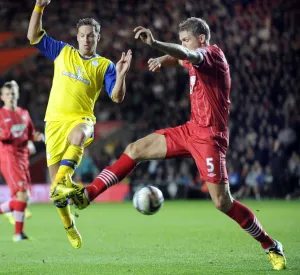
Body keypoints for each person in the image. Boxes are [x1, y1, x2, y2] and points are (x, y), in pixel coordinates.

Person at [51, 17, 286, 270]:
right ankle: (87, 196)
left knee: (222, 202)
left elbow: (186, 54)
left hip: (210, 137)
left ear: (201, 40)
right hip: (190, 129)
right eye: (181, 39)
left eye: (186, 39)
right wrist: (164, 60)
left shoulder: (212, 55)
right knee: (134, 150)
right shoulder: (195, 53)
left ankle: (270, 245)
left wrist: (156, 45)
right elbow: (182, 56)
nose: (183, 44)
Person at [27, 0, 132, 249]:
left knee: (80, 134)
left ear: (97, 38)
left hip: (81, 119)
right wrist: (39, 7)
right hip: (53, 123)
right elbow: (32, 36)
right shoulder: (63, 52)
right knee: (59, 197)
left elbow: (116, 97)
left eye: (91, 36)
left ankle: (62, 183)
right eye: (82, 35)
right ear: (77, 37)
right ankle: (69, 226)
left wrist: (122, 74)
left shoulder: (105, 65)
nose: (86, 40)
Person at [0, 80, 44, 241]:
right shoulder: (1, 115)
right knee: (23, 196)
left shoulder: (24, 113)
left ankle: (18, 232)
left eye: (13, 93)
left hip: (24, 158)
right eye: (7, 94)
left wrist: (37, 137)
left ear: (17, 95)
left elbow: (31, 133)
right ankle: (18, 234)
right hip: (9, 158)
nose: (10, 96)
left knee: (23, 198)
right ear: (2, 97)